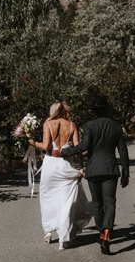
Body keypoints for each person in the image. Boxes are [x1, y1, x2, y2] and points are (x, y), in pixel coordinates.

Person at [61, 95, 129, 254]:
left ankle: (101, 230)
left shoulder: (89, 126)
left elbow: (83, 146)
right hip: (110, 169)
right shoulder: (116, 126)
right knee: (110, 202)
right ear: (107, 108)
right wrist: (126, 171)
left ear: (93, 110)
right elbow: (123, 151)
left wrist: (64, 152)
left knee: (97, 203)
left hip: (93, 170)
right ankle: (106, 233)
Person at [29, 101, 91, 249]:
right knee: (66, 202)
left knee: (49, 199)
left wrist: (32, 142)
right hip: (66, 166)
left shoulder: (48, 124)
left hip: (51, 165)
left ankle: (49, 231)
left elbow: (45, 147)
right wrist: (81, 167)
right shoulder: (72, 125)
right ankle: (65, 235)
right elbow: (77, 150)